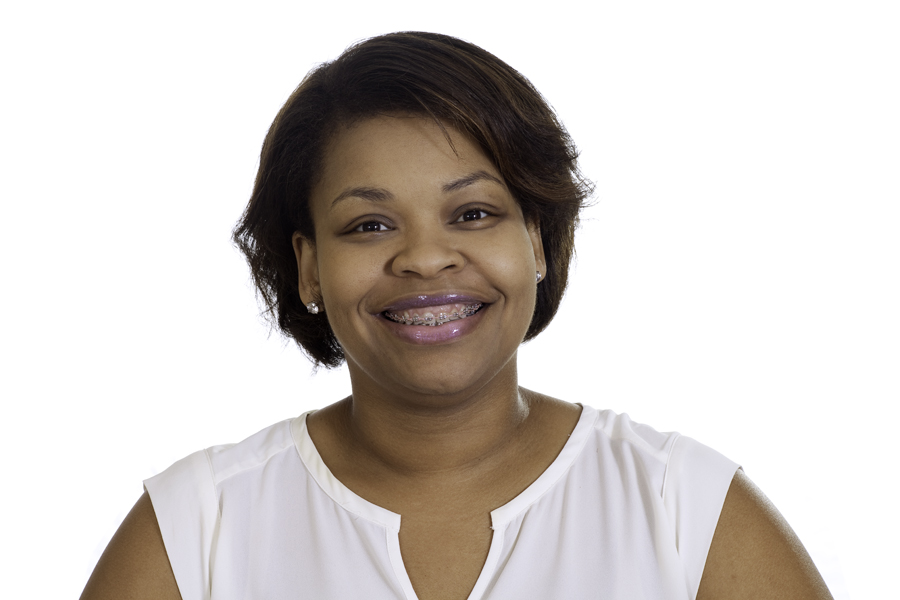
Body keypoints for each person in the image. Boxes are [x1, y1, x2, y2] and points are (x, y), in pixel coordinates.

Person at [80, 32, 833, 600]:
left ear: (536, 240)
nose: (426, 258)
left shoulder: (682, 510)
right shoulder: (194, 530)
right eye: (369, 226)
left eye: (472, 213)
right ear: (308, 265)